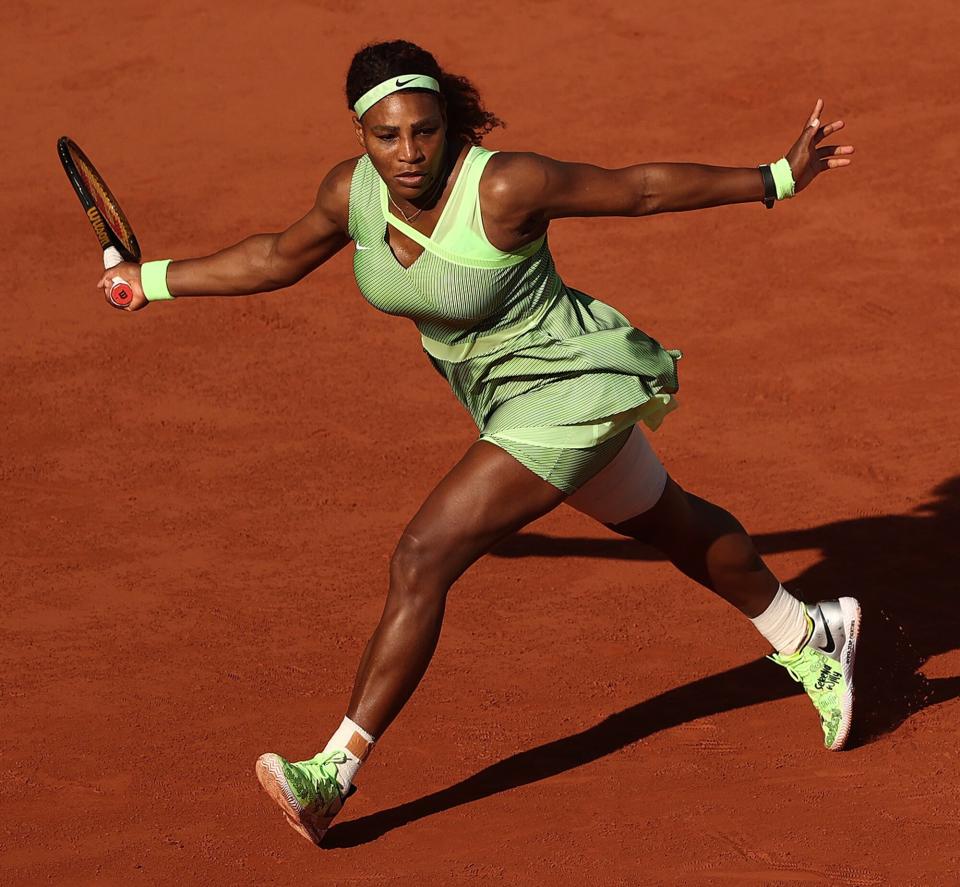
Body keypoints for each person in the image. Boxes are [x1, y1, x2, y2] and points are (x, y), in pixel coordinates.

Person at [99, 40, 858, 847]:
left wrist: (775, 178)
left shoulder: (503, 184)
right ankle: (811, 634)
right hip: (504, 403)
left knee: (423, 556)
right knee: (670, 522)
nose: (409, 153)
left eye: (424, 131)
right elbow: (277, 256)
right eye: (386, 136)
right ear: (360, 133)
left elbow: (636, 189)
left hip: (566, 391)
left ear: (446, 120)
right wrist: (150, 280)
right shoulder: (353, 194)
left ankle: (332, 773)